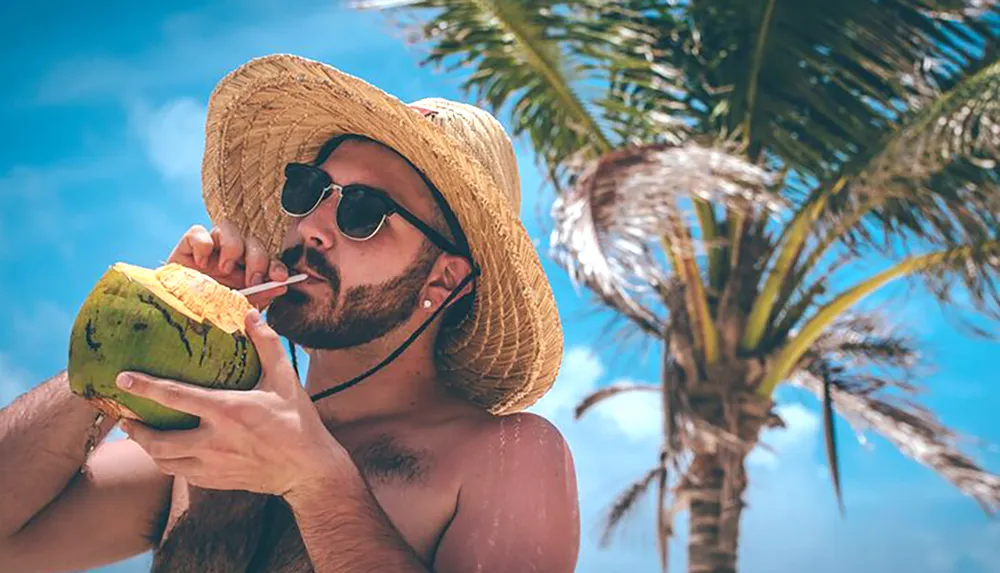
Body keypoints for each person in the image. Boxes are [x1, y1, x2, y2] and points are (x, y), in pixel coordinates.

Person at [0, 54, 578, 572]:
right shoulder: (215, 438)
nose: (315, 228)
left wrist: (316, 482)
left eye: (363, 211)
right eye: (310, 190)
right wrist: (144, 334)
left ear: (444, 279)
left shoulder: (505, 453)